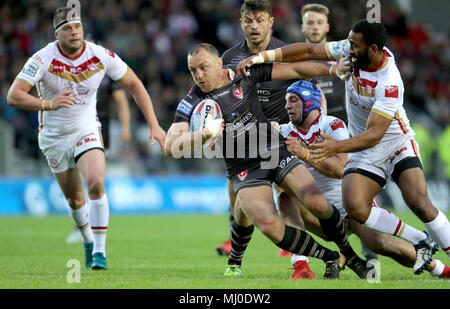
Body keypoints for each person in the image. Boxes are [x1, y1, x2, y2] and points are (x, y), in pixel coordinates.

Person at [236, 19, 450, 274]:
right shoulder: (350, 52)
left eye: (354, 45)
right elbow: (308, 51)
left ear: (372, 49)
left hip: (394, 142)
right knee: (356, 206)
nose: (348, 49)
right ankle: (420, 239)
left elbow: (374, 134)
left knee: (417, 201)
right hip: (365, 148)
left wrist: (334, 148)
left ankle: (442, 258)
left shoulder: (389, 82)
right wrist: (263, 56)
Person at [164, 42, 368, 279]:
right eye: (193, 70)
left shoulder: (244, 73)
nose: (198, 75)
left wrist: (333, 69)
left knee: (317, 204)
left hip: (274, 149)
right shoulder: (193, 100)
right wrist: (205, 134)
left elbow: (295, 71)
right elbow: (170, 146)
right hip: (243, 168)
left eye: (203, 67)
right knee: (270, 226)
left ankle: (349, 255)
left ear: (219, 63)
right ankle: (329, 256)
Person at [7, 7, 166, 270]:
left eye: (77, 27)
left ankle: (100, 253)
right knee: (75, 200)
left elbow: (135, 84)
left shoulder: (100, 55)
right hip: (54, 138)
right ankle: (88, 240)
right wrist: (48, 103)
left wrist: (154, 124)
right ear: (57, 34)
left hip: (86, 129)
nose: (74, 32)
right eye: (68, 28)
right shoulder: (42, 58)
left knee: (95, 182)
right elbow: (14, 95)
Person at [276, 80, 450, 279]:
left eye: (293, 100)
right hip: (320, 214)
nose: (287, 106)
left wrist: (304, 154)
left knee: (383, 244)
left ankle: (439, 269)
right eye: (286, 101)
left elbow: (341, 169)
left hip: (349, 208)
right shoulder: (283, 132)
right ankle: (301, 267)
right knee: (285, 198)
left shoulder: (332, 125)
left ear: (309, 101)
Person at [215, 0, 294, 257]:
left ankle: (295, 250)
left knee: (289, 195)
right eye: (249, 21)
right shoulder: (229, 58)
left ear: (271, 22)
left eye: (260, 20)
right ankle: (234, 242)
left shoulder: (285, 52)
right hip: (242, 139)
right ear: (241, 23)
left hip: (280, 135)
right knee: (237, 200)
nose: (254, 26)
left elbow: (305, 92)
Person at [65, 76, 132, 244]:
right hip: (74, 127)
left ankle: (90, 228)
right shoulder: (70, 67)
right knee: (79, 180)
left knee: (95, 180)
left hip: (100, 130)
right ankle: (81, 227)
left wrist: (125, 127)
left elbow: (121, 100)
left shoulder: (106, 72)